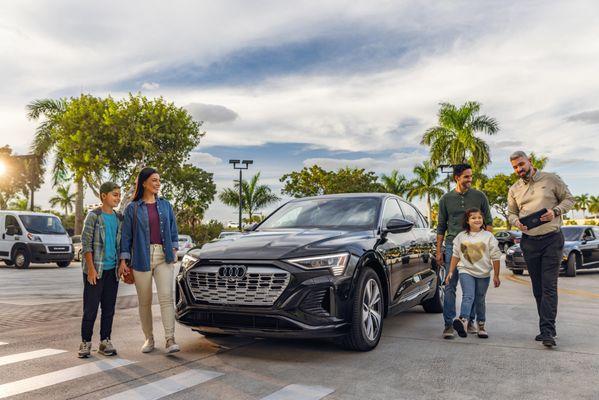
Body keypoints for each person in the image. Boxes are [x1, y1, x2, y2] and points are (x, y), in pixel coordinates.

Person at [508, 151, 574, 347]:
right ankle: (545, 327)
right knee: (537, 288)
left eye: (521, 164)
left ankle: (547, 331)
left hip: (552, 240)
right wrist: (516, 222)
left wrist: (555, 211)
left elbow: (569, 199)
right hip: (529, 242)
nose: (519, 169)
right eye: (515, 167)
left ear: (530, 161)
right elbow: (512, 213)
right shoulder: (514, 189)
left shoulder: (551, 179)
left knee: (549, 286)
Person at [119, 167, 180, 354]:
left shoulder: (166, 205)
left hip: (164, 257)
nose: (158, 183)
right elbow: (126, 237)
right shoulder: (132, 208)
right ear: (144, 183)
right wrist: (123, 260)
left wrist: (174, 248)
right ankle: (149, 338)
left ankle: (170, 339)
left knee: (166, 299)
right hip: (141, 258)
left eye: (159, 180)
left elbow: (173, 229)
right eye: (154, 180)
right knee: (144, 301)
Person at [436, 163, 493, 339]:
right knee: (450, 286)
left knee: (474, 287)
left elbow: (489, 222)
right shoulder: (446, 199)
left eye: (471, 176)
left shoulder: (479, 196)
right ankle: (448, 325)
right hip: (453, 245)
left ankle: (470, 321)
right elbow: (441, 227)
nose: (470, 179)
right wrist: (439, 250)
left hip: (474, 247)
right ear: (457, 178)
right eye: (466, 176)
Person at [78, 182, 122, 358]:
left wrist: (122, 264)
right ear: (104, 196)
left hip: (113, 271)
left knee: (109, 308)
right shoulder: (93, 216)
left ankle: (105, 341)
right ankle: (86, 342)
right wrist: (91, 269)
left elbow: (121, 244)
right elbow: (86, 244)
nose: (118, 198)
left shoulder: (120, 218)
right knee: (90, 308)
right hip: (96, 270)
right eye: (114, 194)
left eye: (119, 195)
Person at [445, 208, 501, 338]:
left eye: (479, 217)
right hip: (466, 270)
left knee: (480, 299)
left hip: (484, 273)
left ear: (483, 220)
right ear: (467, 221)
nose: (477, 220)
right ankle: (463, 320)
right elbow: (455, 255)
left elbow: (496, 257)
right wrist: (451, 271)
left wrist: (496, 275)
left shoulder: (488, 236)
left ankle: (481, 324)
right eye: (473, 218)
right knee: (468, 295)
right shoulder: (461, 236)